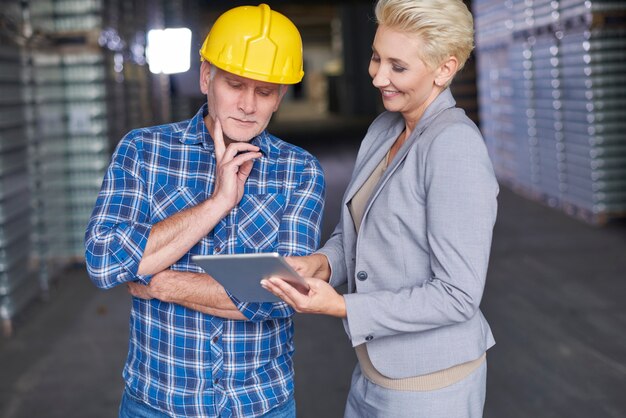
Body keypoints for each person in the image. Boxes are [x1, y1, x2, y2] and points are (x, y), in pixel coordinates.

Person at [84, 4, 325, 417]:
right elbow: (106, 262)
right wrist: (218, 204)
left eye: (265, 91)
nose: (248, 105)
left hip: (261, 405)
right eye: (235, 85)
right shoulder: (144, 151)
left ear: (280, 96)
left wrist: (161, 282)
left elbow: (283, 296)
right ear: (206, 77)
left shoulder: (299, 171)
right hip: (156, 403)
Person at [261, 0, 498, 417]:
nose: (378, 77)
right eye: (375, 58)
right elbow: (360, 229)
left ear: (444, 69)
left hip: (431, 387)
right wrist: (321, 264)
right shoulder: (385, 128)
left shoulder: (453, 146)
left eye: (398, 67)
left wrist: (342, 305)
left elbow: (458, 295)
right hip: (375, 374)